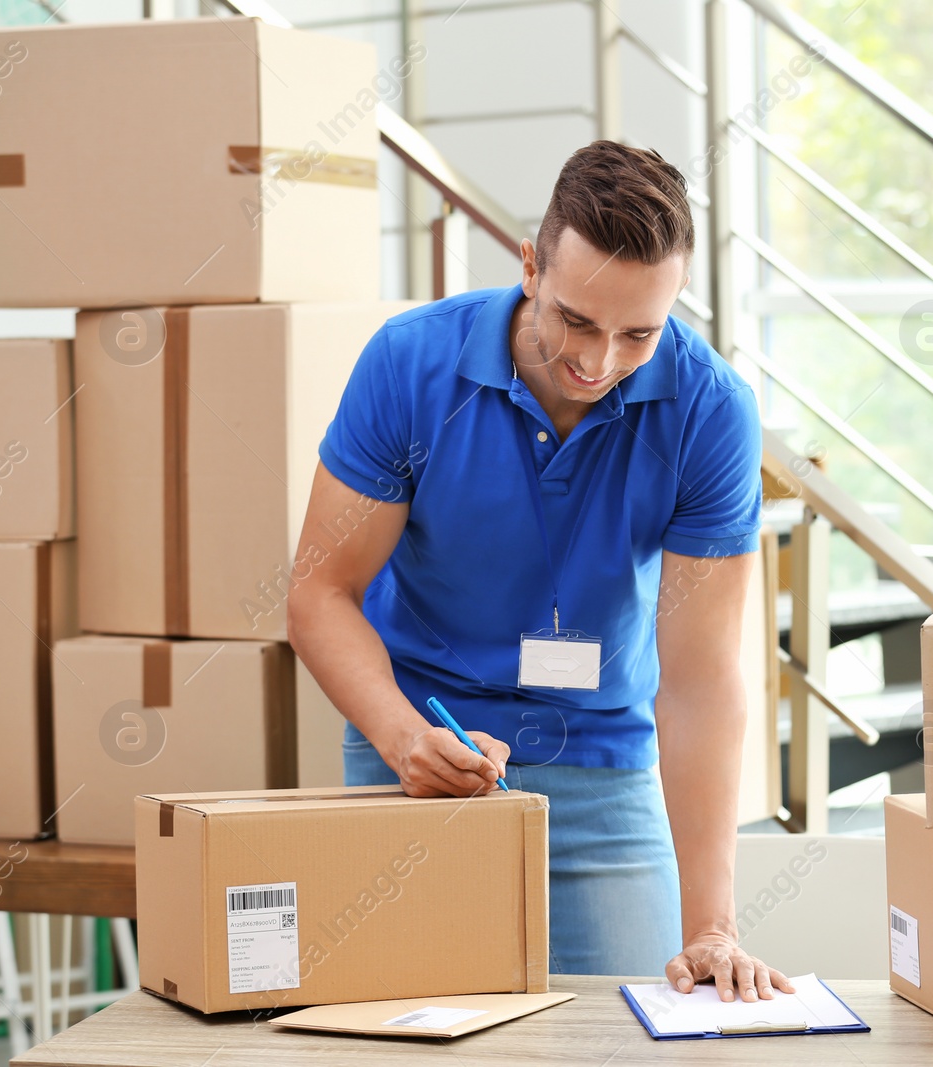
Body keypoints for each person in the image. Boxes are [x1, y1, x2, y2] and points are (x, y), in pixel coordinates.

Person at [286, 140, 792, 1003]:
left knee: (629, 1037)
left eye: (639, 332)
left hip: (600, 765)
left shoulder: (711, 409)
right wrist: (406, 739)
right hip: (420, 748)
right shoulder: (410, 363)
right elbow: (318, 593)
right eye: (577, 320)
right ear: (529, 265)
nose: (599, 362)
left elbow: (703, 679)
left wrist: (713, 922)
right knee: (402, 1040)